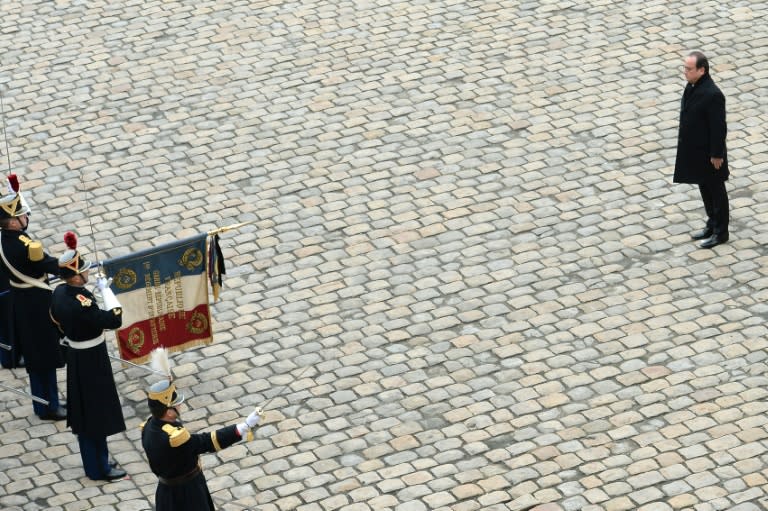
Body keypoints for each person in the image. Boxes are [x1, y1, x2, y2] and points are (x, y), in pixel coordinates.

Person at [49, 231, 127, 481]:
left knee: (85, 415)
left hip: (77, 357)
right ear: (75, 276)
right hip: (92, 359)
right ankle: (99, 468)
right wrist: (106, 291)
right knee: (96, 415)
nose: (88, 274)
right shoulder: (80, 304)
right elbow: (114, 318)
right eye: (84, 271)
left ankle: (94, 462)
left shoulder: (60, 293)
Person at [0, 173, 66, 419]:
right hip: (36, 305)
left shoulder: (6, 239)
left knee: (38, 357)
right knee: (43, 357)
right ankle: (48, 406)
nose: (26, 218)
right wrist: (73, 266)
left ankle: (47, 402)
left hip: (22, 301)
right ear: (14, 222)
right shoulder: (25, 245)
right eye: (22, 215)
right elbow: (50, 264)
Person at [140, 379, 263, 511]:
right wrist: (243, 427)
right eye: (176, 404)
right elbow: (206, 442)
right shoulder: (174, 438)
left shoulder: (147, 427)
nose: (180, 406)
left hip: (166, 492)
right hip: (188, 493)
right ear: (169, 412)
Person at [673, 50, 730, 249]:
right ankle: (711, 223)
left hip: (710, 155)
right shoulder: (692, 86)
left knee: (716, 191)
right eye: (685, 68)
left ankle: (721, 232)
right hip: (697, 153)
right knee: (705, 189)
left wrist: (716, 154)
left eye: (689, 69)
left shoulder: (713, 95)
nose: (685, 72)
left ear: (702, 70)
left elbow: (718, 127)